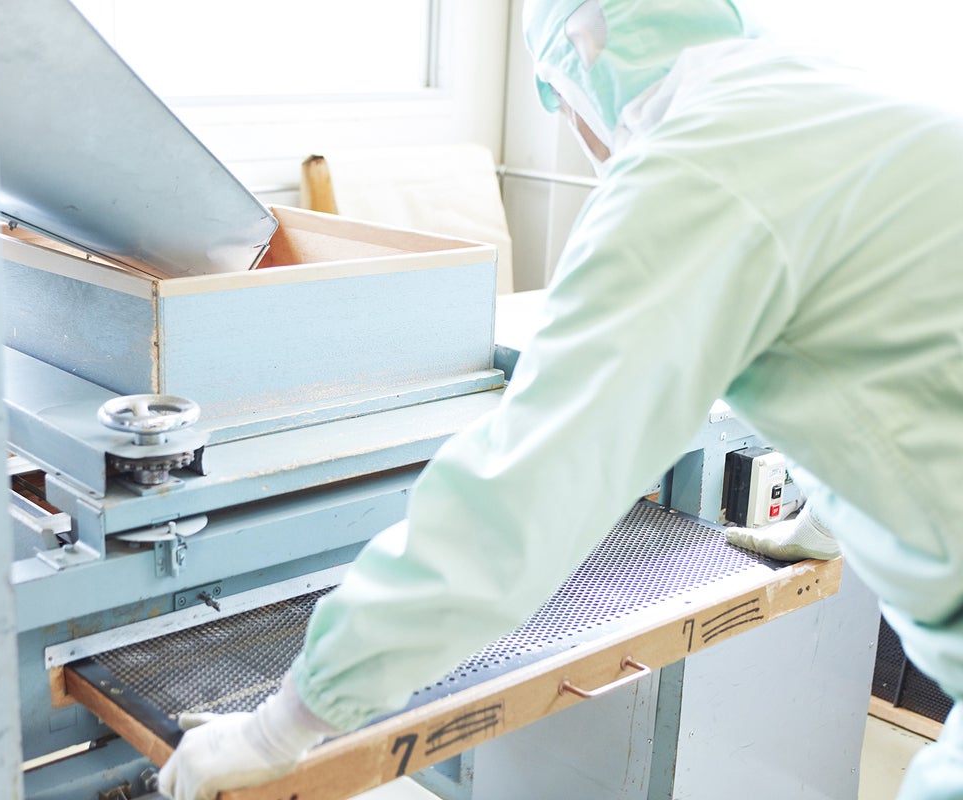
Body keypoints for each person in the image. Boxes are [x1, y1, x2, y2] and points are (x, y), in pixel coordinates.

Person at [158, 0, 963, 797]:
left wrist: (283, 726)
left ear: (584, 56)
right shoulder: (830, 91)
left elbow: (523, 496)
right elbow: (886, 356)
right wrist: (831, 514)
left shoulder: (696, 168)